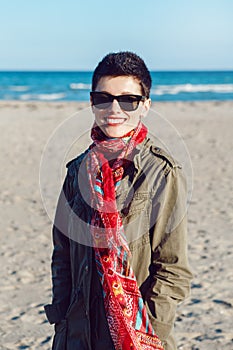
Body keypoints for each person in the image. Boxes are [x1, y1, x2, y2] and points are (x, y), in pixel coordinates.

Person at [44, 51, 192, 350]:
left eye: (128, 100)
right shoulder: (77, 170)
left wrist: (150, 330)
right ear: (92, 102)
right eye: (104, 97)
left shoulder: (160, 172)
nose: (114, 108)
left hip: (135, 335)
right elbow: (62, 252)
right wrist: (62, 316)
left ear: (145, 106)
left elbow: (173, 268)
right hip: (77, 331)